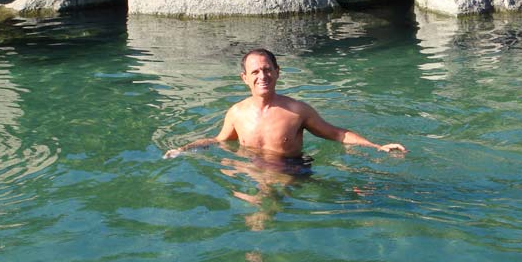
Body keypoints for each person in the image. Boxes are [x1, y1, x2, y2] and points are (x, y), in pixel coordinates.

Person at [164, 48, 406, 159]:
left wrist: (376, 146)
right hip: (251, 175)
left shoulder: (297, 111)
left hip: (293, 172)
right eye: (255, 71)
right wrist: (183, 149)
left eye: (268, 69)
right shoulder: (236, 113)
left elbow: (337, 134)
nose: (262, 76)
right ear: (245, 78)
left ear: (278, 72)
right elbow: (219, 141)